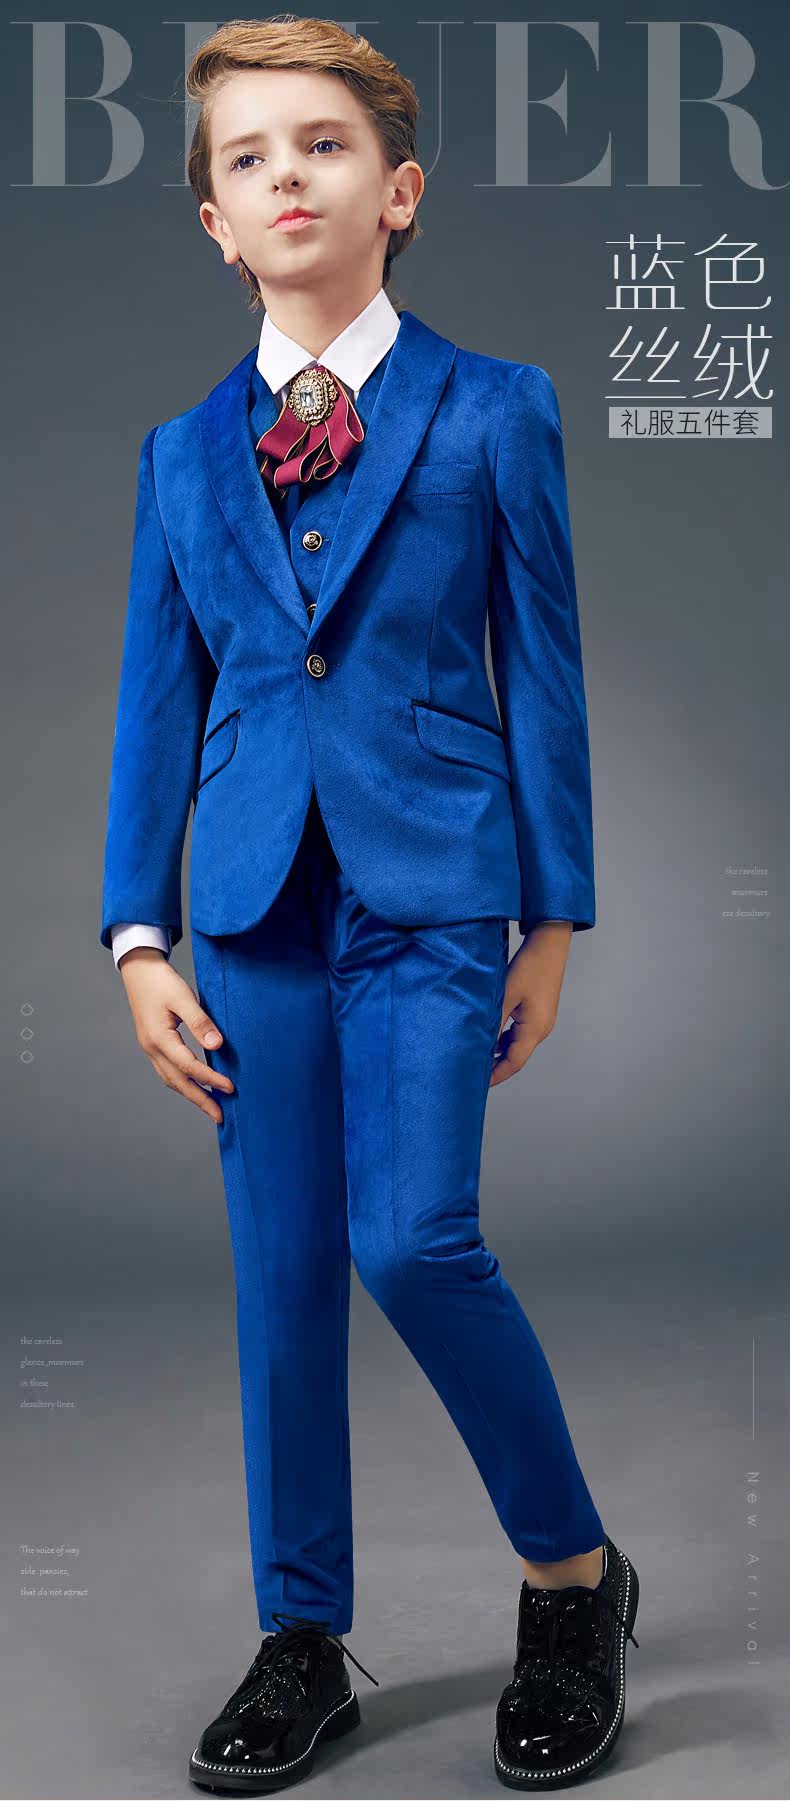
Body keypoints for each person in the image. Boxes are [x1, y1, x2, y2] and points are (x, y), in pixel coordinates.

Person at [100, 15, 639, 1795]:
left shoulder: (493, 407)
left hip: (434, 890)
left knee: (411, 1239)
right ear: (214, 222)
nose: (286, 178)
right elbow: (157, 709)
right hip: (249, 906)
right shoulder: (182, 454)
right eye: (245, 158)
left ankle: (570, 1578)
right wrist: (137, 936)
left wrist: (551, 917)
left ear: (396, 191)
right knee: (282, 1274)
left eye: (321, 145)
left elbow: (542, 668)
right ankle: (301, 1633)